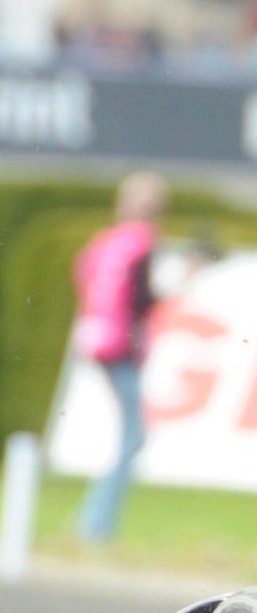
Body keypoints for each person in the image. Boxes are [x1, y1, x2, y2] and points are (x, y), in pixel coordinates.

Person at [70, 171, 166, 543]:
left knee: (131, 434)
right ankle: (96, 524)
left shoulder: (106, 242)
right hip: (121, 345)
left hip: (97, 339)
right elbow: (143, 301)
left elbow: (83, 276)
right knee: (134, 434)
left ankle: (94, 521)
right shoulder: (142, 242)